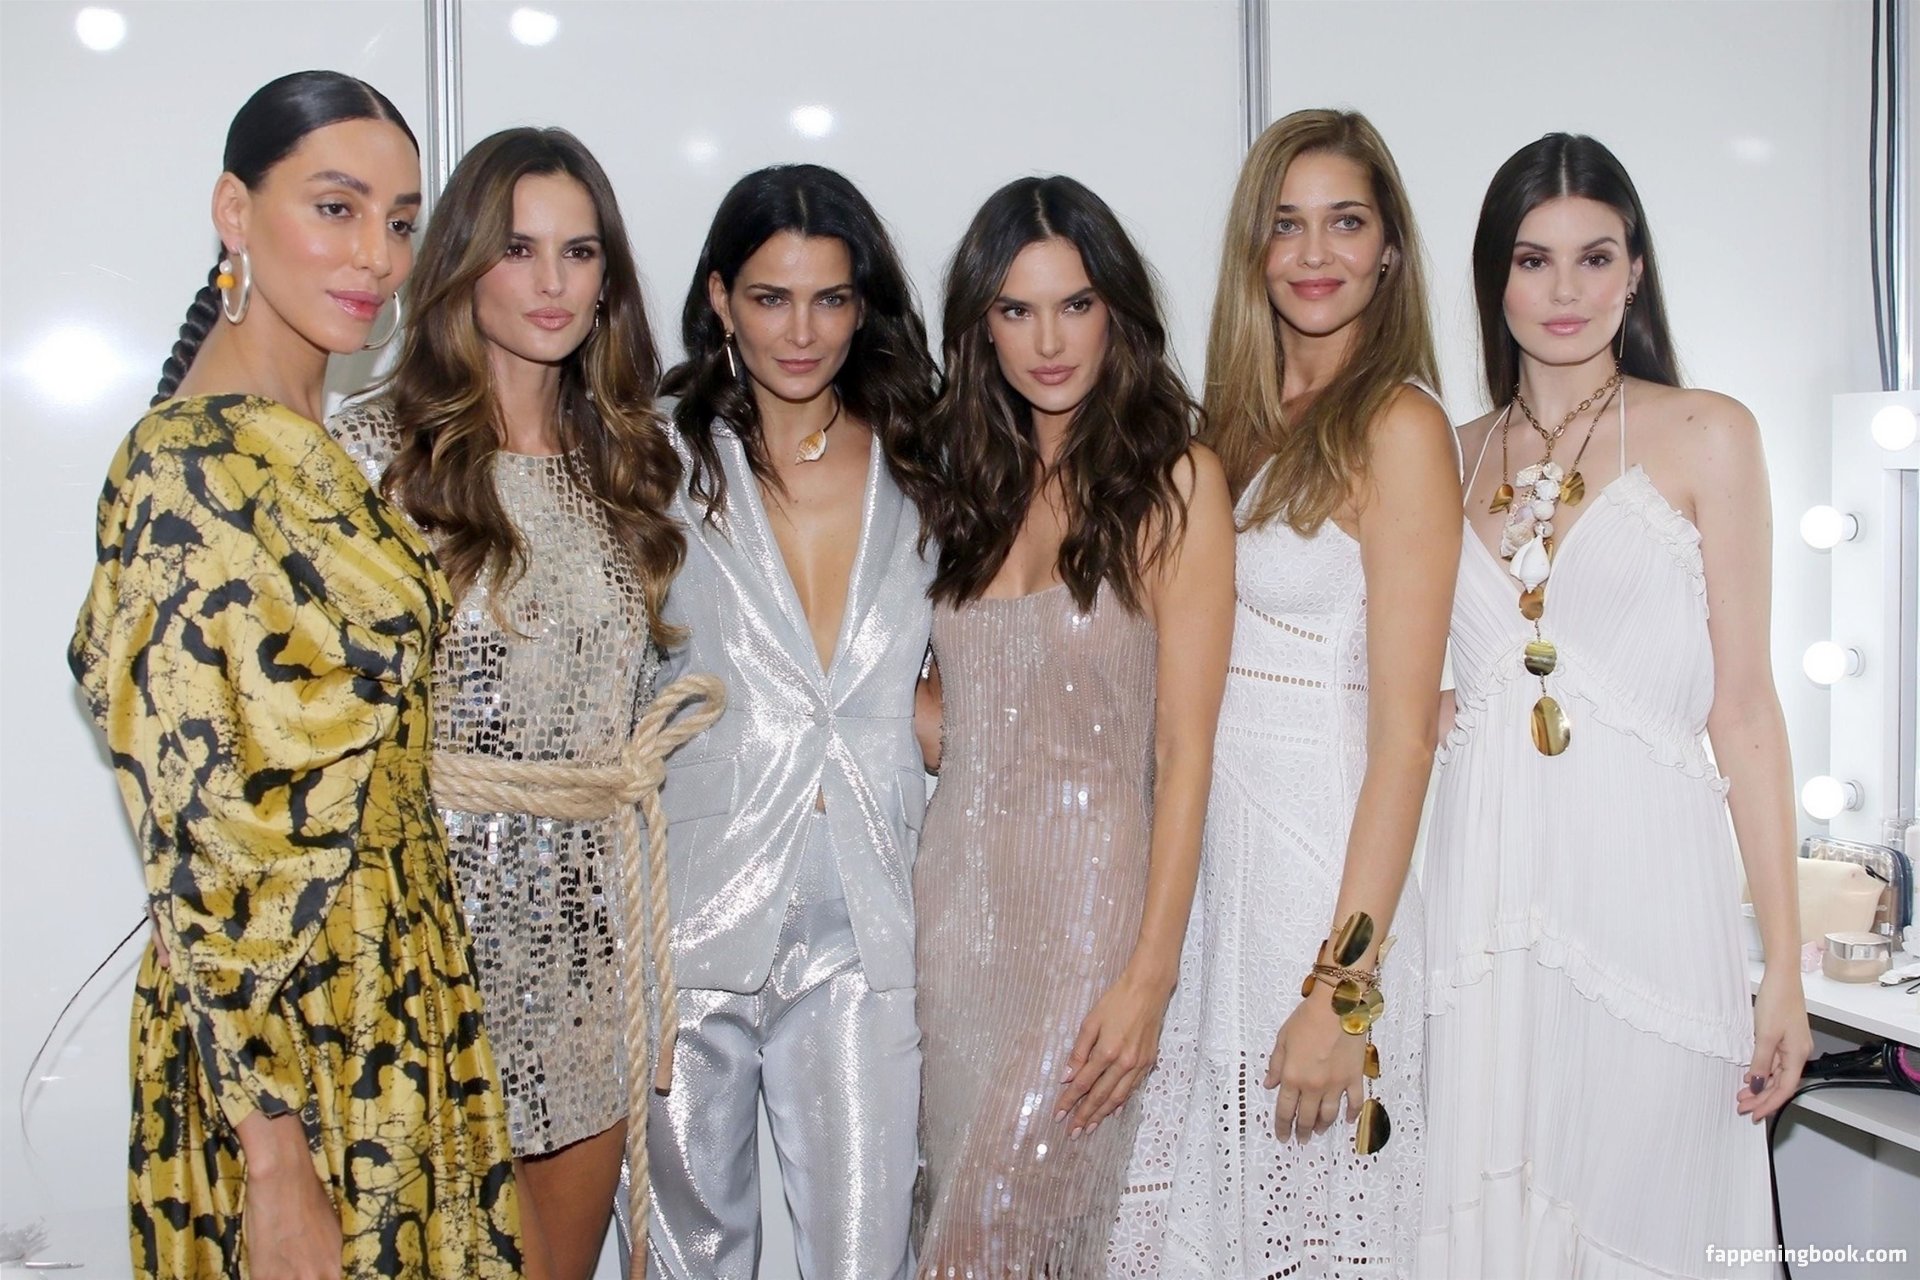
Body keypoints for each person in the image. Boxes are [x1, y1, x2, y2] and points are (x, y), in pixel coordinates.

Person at [69, 70, 524, 1280]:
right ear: (236, 210)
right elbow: (191, 838)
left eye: (401, 219)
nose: (377, 254)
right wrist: (272, 1163)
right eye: (336, 207)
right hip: (281, 1037)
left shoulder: (316, 446)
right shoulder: (186, 465)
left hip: (396, 981)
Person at [1420, 133, 1812, 1279]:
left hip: (1652, 911)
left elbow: (1745, 710)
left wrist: (1784, 968)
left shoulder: (1708, 432)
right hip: (1480, 913)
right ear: (1495, 277)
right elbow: (1392, 692)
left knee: (1649, 1222)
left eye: (1595, 258)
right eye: (1534, 259)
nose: (1567, 290)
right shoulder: (1439, 457)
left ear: (1635, 272)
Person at [327, 125, 683, 1280]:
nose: (551, 282)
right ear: (462, 263)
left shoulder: (630, 463)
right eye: (518, 248)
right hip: (426, 938)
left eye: (579, 251)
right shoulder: (368, 456)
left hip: (586, 948)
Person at [1111, 109, 1456, 1280]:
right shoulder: (1233, 426)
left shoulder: (1399, 425)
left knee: (1305, 1229)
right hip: (1213, 871)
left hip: (1317, 883)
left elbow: (1404, 739)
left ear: (1389, 250)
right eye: (1286, 224)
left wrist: (1343, 989)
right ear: (1251, 250)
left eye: (1344, 223)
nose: (1314, 254)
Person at [912, 175, 1235, 1277]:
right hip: (956, 922)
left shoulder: (1173, 482)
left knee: (986, 1244)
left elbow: (1185, 751)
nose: (1049, 341)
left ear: (1117, 313)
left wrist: (1150, 976)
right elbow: (959, 710)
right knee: (955, 1218)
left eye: (1076, 304)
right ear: (980, 326)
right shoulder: (964, 483)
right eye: (1016, 309)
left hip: (1091, 929)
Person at [647, 163, 941, 1280]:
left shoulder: (930, 457)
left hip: (870, 915)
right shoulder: (655, 459)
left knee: (867, 1252)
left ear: (864, 306)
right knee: (693, 1254)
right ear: (721, 299)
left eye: (830, 298)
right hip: (690, 914)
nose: (802, 331)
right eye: (772, 298)